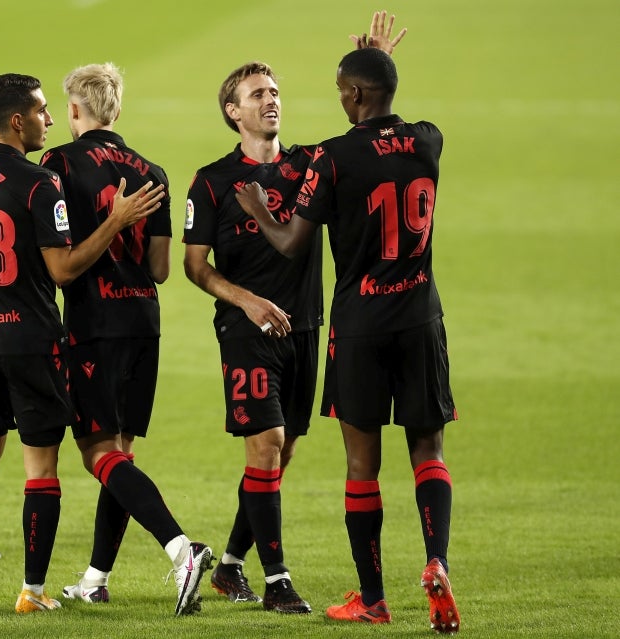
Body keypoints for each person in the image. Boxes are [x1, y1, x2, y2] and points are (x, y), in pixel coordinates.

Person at [182, 12, 404, 614]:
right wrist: (248, 301)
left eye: (275, 91)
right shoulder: (211, 182)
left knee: (280, 455)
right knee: (268, 443)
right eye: (257, 94)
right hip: (246, 330)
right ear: (234, 111)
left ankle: (229, 566)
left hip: (307, 328)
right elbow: (195, 267)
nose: (271, 100)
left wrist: (375, 71)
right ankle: (277, 579)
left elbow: (371, 140)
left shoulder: (313, 162)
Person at [235, 46, 460, 632]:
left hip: (360, 325)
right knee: (428, 451)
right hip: (419, 318)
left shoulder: (334, 160)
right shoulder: (428, 141)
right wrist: (377, 65)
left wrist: (259, 208)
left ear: (355, 95)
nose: (338, 96)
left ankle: (374, 598)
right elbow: (397, 126)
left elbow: (291, 242)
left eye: (342, 88)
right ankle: (437, 560)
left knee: (363, 465)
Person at [0, 72, 168, 614]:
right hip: (30, 340)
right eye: (40, 111)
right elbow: (62, 269)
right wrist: (114, 221)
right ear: (17, 120)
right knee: (42, 467)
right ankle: (32, 593)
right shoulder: (39, 182)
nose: (49, 120)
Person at [39, 62, 213, 615]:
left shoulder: (59, 163)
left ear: (74, 110)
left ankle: (182, 550)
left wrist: (111, 224)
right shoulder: (153, 172)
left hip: (95, 325)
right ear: (117, 107)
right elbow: (160, 269)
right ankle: (95, 577)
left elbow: (62, 265)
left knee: (96, 453)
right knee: (121, 455)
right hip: (144, 321)